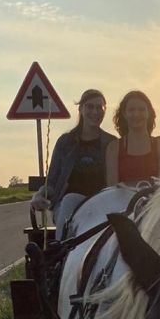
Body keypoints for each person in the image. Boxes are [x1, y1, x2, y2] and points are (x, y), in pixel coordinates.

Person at [30, 88, 116, 240]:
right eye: (90, 106)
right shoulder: (65, 142)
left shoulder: (111, 143)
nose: (95, 112)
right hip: (67, 205)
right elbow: (52, 180)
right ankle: (62, 247)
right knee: (70, 199)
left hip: (100, 203)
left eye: (99, 108)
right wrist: (39, 195)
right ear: (81, 109)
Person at [105, 91, 160, 186]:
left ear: (149, 113)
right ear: (124, 113)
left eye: (141, 110)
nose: (136, 114)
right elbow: (112, 187)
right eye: (131, 110)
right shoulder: (113, 148)